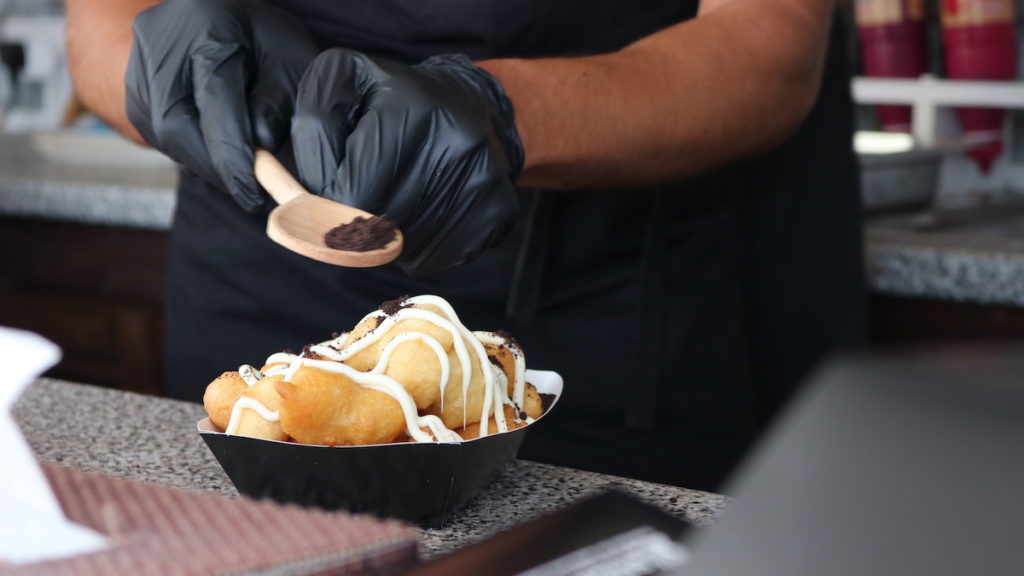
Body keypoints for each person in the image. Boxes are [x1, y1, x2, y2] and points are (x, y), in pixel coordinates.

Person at [66, 0, 867, 492]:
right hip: (259, 287)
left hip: (603, 310)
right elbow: (101, 27)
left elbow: (768, 45)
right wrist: (175, 69)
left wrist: (497, 111)